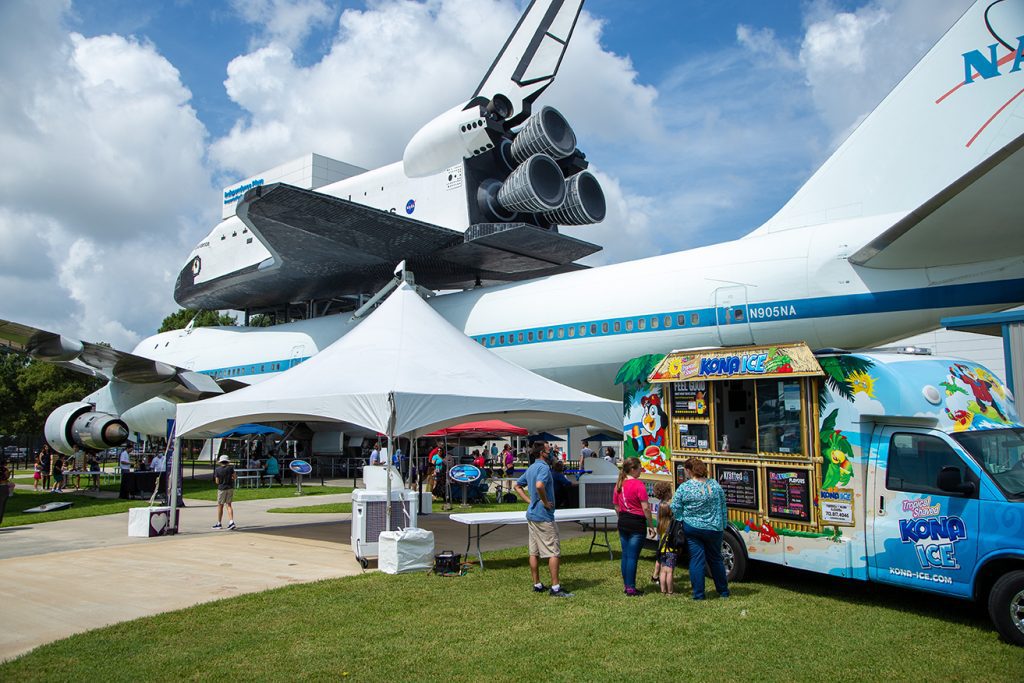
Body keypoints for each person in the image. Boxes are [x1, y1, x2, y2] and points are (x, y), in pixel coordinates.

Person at [513, 441, 572, 597]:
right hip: (543, 516)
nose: (551, 452)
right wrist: (545, 502)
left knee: (534, 552)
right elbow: (540, 485)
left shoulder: (532, 467)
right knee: (553, 551)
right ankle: (556, 588)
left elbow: (517, 486)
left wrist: (530, 501)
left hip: (532, 515)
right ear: (542, 453)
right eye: (548, 450)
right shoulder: (544, 468)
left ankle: (537, 584)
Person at [671, 456, 730, 600]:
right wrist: (723, 524)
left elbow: (675, 507)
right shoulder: (715, 485)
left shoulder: (685, 487)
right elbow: (723, 506)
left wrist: (681, 518)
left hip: (693, 528)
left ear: (689, 471)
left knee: (697, 560)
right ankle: (723, 591)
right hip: (714, 527)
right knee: (716, 559)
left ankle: (698, 594)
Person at [613, 457, 654, 596]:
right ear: (632, 469)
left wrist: (621, 518)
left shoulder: (619, 484)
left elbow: (616, 506)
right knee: (632, 556)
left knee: (625, 554)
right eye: (639, 468)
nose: (641, 470)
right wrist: (650, 524)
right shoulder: (638, 484)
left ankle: (627, 585)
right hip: (637, 522)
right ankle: (631, 587)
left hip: (623, 520)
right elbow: (645, 507)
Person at [652, 481, 680, 594]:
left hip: (662, 541)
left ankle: (658, 582)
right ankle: (670, 591)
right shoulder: (668, 507)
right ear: (667, 492)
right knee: (669, 571)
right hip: (670, 545)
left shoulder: (660, 506)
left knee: (662, 565)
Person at [212, 455, 237, 530]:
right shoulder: (230, 468)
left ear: (220, 462)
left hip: (221, 488)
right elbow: (235, 477)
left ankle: (219, 523)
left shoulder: (217, 469)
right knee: (229, 505)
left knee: (220, 505)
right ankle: (231, 521)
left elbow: (217, 481)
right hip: (230, 488)